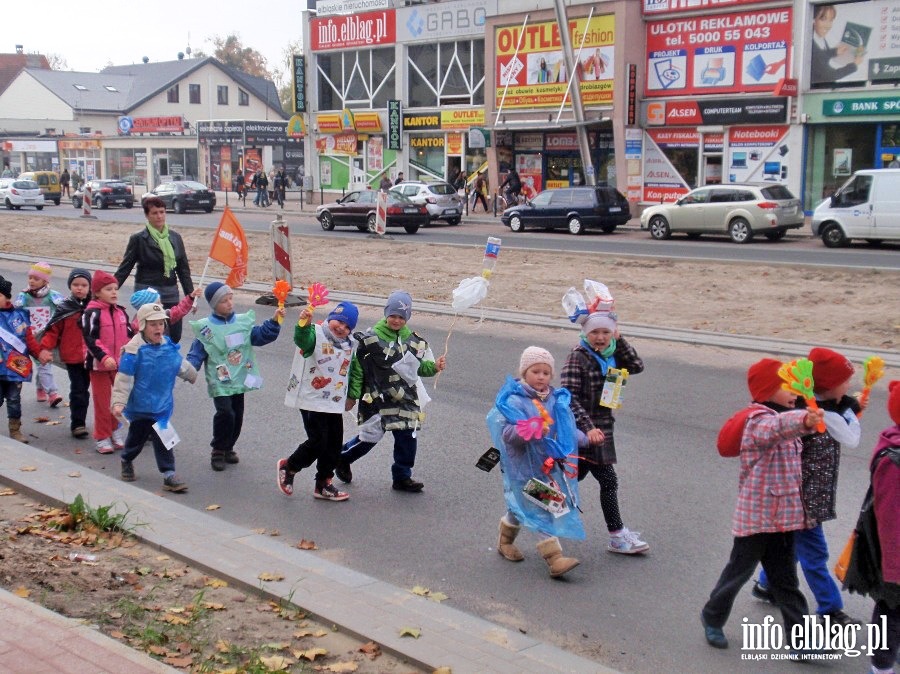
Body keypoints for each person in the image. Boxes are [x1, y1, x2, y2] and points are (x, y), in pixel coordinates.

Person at [701, 358, 823, 652]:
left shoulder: (786, 416)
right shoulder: (758, 420)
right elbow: (777, 427)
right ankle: (712, 617)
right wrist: (804, 420)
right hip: (756, 520)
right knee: (737, 574)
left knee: (786, 582)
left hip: (783, 521)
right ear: (768, 389)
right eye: (786, 385)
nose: (793, 391)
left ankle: (801, 642)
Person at [752, 347, 862, 626]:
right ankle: (830, 609)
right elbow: (844, 432)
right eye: (846, 381)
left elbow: (839, 419)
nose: (850, 385)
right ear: (829, 386)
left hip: (813, 495)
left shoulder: (822, 409)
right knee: (815, 555)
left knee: (792, 549)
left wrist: (851, 406)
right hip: (803, 500)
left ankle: (767, 585)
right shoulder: (811, 416)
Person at [486, 347, 587, 577]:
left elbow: (563, 429)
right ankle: (555, 559)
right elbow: (507, 435)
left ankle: (504, 541)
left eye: (545, 372)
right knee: (544, 509)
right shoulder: (514, 400)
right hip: (522, 469)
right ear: (524, 372)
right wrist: (528, 429)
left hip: (546, 467)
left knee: (521, 507)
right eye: (535, 371)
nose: (541, 376)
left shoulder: (553, 399)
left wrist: (583, 438)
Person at [337, 291, 446, 492]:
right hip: (376, 398)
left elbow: (420, 368)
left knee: (407, 438)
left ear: (407, 318)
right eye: (393, 315)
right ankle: (342, 458)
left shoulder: (414, 342)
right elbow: (358, 370)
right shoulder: (370, 340)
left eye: (401, 317)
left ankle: (402, 476)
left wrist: (435, 367)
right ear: (386, 313)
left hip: (405, 399)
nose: (396, 320)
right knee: (369, 437)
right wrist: (352, 396)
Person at [560, 307, 648, 554]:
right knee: (607, 479)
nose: (600, 337)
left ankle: (531, 510)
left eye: (606, 332)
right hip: (584, 431)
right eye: (595, 332)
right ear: (585, 333)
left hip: (603, 429)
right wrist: (588, 429)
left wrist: (620, 341)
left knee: (570, 480)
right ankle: (617, 535)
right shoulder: (577, 357)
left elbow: (637, 365)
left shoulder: (611, 353)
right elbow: (568, 397)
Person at [187, 282, 283, 471]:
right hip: (219, 381)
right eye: (224, 301)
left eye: (231, 298)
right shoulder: (206, 328)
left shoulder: (241, 323)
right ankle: (218, 449)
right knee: (225, 413)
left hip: (239, 379)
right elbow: (197, 352)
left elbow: (260, 336)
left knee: (237, 415)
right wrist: (189, 368)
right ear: (214, 305)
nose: (230, 303)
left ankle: (228, 446)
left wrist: (274, 322)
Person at [277, 301, 360, 501]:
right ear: (331, 318)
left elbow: (355, 371)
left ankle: (323, 482)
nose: (341, 327)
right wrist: (303, 325)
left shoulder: (350, 344)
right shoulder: (316, 333)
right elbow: (302, 341)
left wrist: (352, 396)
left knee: (333, 444)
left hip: (334, 402)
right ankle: (289, 466)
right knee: (318, 441)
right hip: (312, 400)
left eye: (347, 326)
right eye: (338, 321)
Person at [112, 302, 197, 493]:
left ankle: (169, 474)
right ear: (142, 326)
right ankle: (127, 459)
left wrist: (190, 374)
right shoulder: (133, 350)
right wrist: (118, 402)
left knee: (164, 439)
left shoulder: (167, 346)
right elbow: (124, 379)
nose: (158, 328)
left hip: (162, 406)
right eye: (153, 324)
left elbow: (177, 363)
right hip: (140, 406)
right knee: (136, 438)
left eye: (161, 324)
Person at [115, 196, 194, 344]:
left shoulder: (175, 238)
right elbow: (125, 268)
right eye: (154, 213)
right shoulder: (138, 239)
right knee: (151, 335)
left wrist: (191, 296)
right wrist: (109, 289)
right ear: (147, 215)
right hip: (148, 293)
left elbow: (183, 269)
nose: (159, 216)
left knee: (174, 336)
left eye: (162, 212)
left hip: (170, 291)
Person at [865, 380, 900, 674]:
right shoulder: (893, 460)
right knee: (890, 610)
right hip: (896, 558)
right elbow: (889, 519)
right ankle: (881, 666)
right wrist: (894, 567)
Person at [81, 270, 133, 454]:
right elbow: (91, 339)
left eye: (115, 289)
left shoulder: (121, 312)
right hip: (99, 366)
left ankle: (115, 430)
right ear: (97, 293)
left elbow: (128, 336)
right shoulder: (92, 313)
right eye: (108, 289)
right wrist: (104, 357)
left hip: (119, 365)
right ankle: (102, 436)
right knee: (102, 402)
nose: (114, 293)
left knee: (118, 400)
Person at [39, 269, 92, 439]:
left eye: (84, 285)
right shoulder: (65, 307)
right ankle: (78, 424)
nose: (79, 288)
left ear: (90, 287)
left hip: (92, 357)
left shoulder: (95, 307)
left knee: (86, 390)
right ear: (70, 286)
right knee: (78, 390)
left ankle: (91, 421)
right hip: (73, 358)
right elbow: (53, 331)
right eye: (76, 285)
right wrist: (45, 349)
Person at [0, 274, 44, 443]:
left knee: (13, 400)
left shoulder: (19, 316)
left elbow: (29, 339)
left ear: (7, 298)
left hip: (15, 367)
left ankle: (15, 430)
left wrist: (39, 353)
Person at [14, 261, 65, 407]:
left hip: (47, 337)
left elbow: (63, 311)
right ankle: (53, 393)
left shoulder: (53, 297)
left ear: (45, 281)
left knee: (43, 363)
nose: (31, 281)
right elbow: (16, 312)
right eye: (30, 277)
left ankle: (40, 388)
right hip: (30, 337)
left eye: (36, 279)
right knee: (44, 365)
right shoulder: (24, 296)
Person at [811, 4, 862, 85]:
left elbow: (821, 56)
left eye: (831, 20)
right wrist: (854, 65)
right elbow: (831, 75)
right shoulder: (809, 45)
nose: (828, 26)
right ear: (813, 20)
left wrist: (835, 52)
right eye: (823, 19)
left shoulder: (820, 38)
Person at [128, 286, 200, 334]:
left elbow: (178, 311)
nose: (162, 305)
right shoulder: (138, 325)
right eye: (158, 303)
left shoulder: (164, 314)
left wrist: (191, 297)